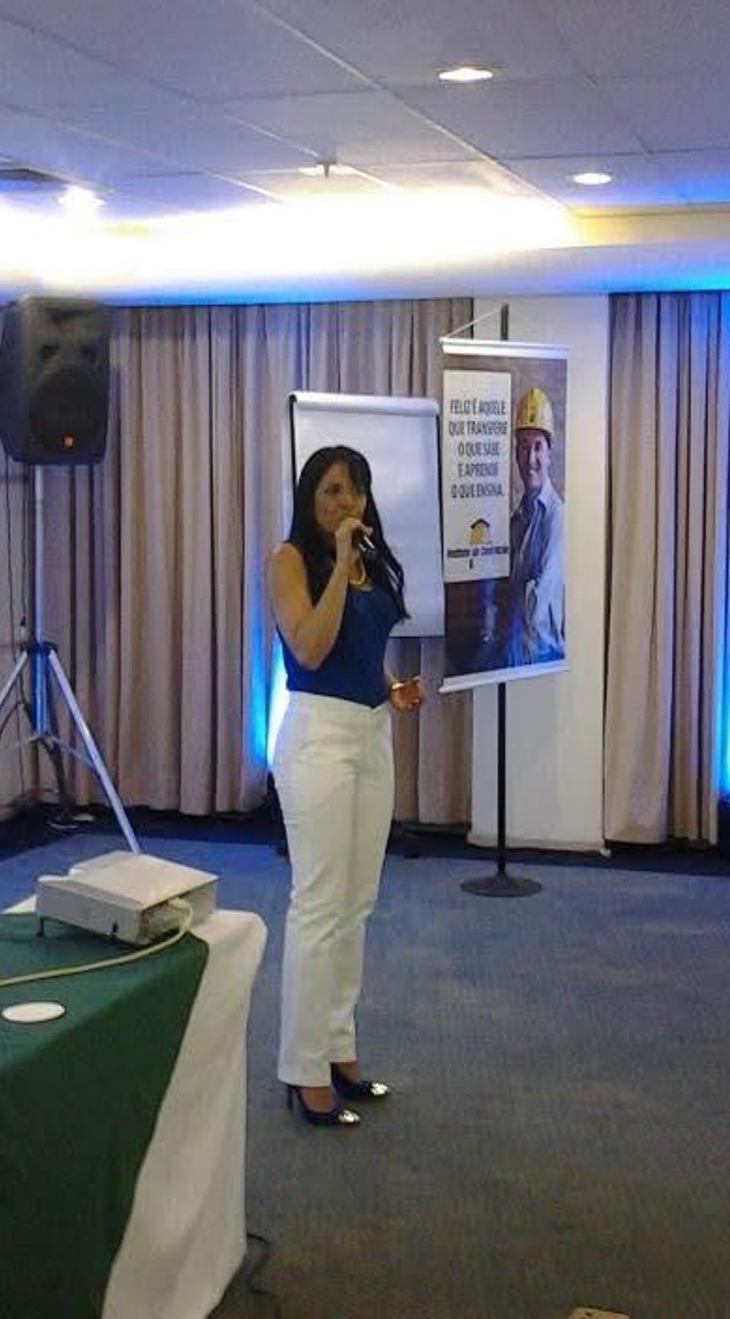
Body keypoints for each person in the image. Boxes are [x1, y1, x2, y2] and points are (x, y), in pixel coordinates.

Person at [267, 445, 425, 1128]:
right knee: (318, 904)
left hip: (369, 733)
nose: (347, 503)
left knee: (356, 905)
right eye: (332, 491)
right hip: (316, 742)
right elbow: (309, 647)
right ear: (311, 498)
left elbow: (362, 648)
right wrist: (337, 566)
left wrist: (392, 687)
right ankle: (303, 1072)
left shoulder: (369, 559)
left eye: (355, 491)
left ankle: (338, 1047)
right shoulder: (290, 560)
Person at [500, 385, 564, 666]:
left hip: (543, 662)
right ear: (515, 455)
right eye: (523, 448)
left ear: (550, 454)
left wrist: (508, 594)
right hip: (513, 660)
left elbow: (536, 607)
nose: (530, 459)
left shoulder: (557, 518)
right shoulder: (515, 520)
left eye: (538, 447)